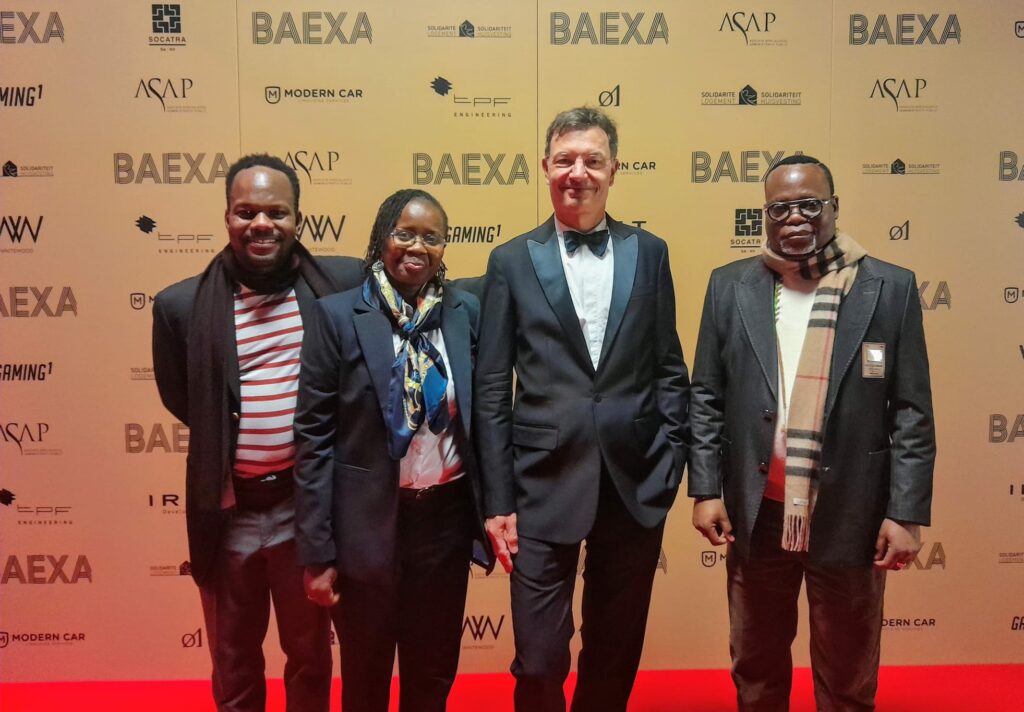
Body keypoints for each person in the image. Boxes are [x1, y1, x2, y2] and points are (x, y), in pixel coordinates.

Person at [688, 154, 935, 711]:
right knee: (756, 670)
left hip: (851, 514)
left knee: (848, 677)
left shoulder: (887, 287)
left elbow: (912, 412)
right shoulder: (730, 286)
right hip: (758, 514)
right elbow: (706, 395)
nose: (795, 216)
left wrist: (906, 512)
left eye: (809, 204)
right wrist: (705, 489)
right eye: (780, 208)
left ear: (834, 208)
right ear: (765, 216)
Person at [474, 106, 689, 712]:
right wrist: (497, 500)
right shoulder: (510, 261)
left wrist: (670, 461)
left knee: (615, 652)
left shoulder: (650, 252)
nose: (578, 173)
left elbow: (669, 367)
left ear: (614, 170)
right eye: (565, 160)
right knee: (540, 660)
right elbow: (492, 388)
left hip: (635, 480)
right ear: (545, 167)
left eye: (593, 160)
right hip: (540, 485)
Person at [152, 153, 363, 712]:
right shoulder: (180, 307)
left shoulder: (340, 286)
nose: (261, 223)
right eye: (246, 212)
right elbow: (184, 401)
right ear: (227, 217)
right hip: (228, 513)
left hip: (305, 508)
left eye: (276, 212)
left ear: (298, 219)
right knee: (234, 662)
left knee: (310, 656)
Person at [293, 189, 492, 712]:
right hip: (366, 530)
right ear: (382, 237)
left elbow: (484, 417)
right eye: (405, 233)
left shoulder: (464, 313)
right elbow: (313, 439)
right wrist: (317, 552)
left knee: (432, 675)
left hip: (444, 526)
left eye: (432, 237)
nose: (417, 247)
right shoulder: (337, 316)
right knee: (366, 678)